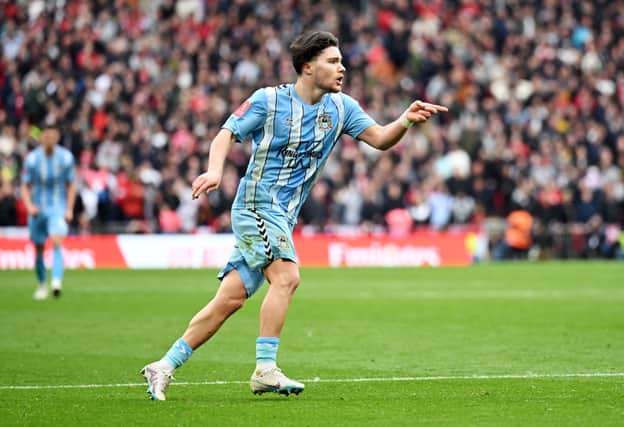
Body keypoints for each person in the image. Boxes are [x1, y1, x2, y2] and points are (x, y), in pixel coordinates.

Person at [141, 31, 447, 401]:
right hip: (255, 206)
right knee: (286, 277)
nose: (342, 68)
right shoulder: (268, 101)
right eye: (333, 62)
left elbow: (380, 138)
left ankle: (164, 364)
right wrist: (215, 171)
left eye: (341, 61)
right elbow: (226, 133)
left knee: (230, 300)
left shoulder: (341, 108)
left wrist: (406, 120)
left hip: (283, 218)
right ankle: (265, 369)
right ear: (308, 67)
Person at [20, 123, 76, 300]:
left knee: (57, 241)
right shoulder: (32, 159)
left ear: (57, 137)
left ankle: (56, 282)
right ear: (42, 137)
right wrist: (29, 206)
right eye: (47, 135)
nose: (50, 138)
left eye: (53, 135)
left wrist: (69, 209)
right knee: (38, 248)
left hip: (57, 208)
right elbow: (24, 185)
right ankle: (42, 284)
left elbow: (72, 184)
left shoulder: (66, 157)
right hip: (37, 209)